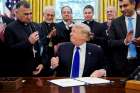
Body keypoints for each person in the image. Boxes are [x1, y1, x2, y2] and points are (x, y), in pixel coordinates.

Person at [4, 0, 44, 76]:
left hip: (37, 69)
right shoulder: (10, 28)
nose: (29, 17)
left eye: (30, 13)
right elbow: (9, 53)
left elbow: (40, 47)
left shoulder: (36, 25)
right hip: (20, 71)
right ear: (16, 12)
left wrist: (41, 63)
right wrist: (28, 42)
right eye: (26, 14)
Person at [108, 0, 140, 77]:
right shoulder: (115, 22)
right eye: (120, 6)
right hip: (121, 67)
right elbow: (110, 43)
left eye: (125, 6)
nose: (122, 9)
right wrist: (125, 41)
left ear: (133, 4)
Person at [40, 6, 57, 76]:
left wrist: (56, 36)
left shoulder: (57, 26)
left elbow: (59, 42)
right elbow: (39, 42)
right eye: (48, 15)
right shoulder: (38, 26)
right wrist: (49, 36)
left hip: (54, 56)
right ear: (43, 15)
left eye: (52, 15)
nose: (50, 17)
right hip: (43, 57)